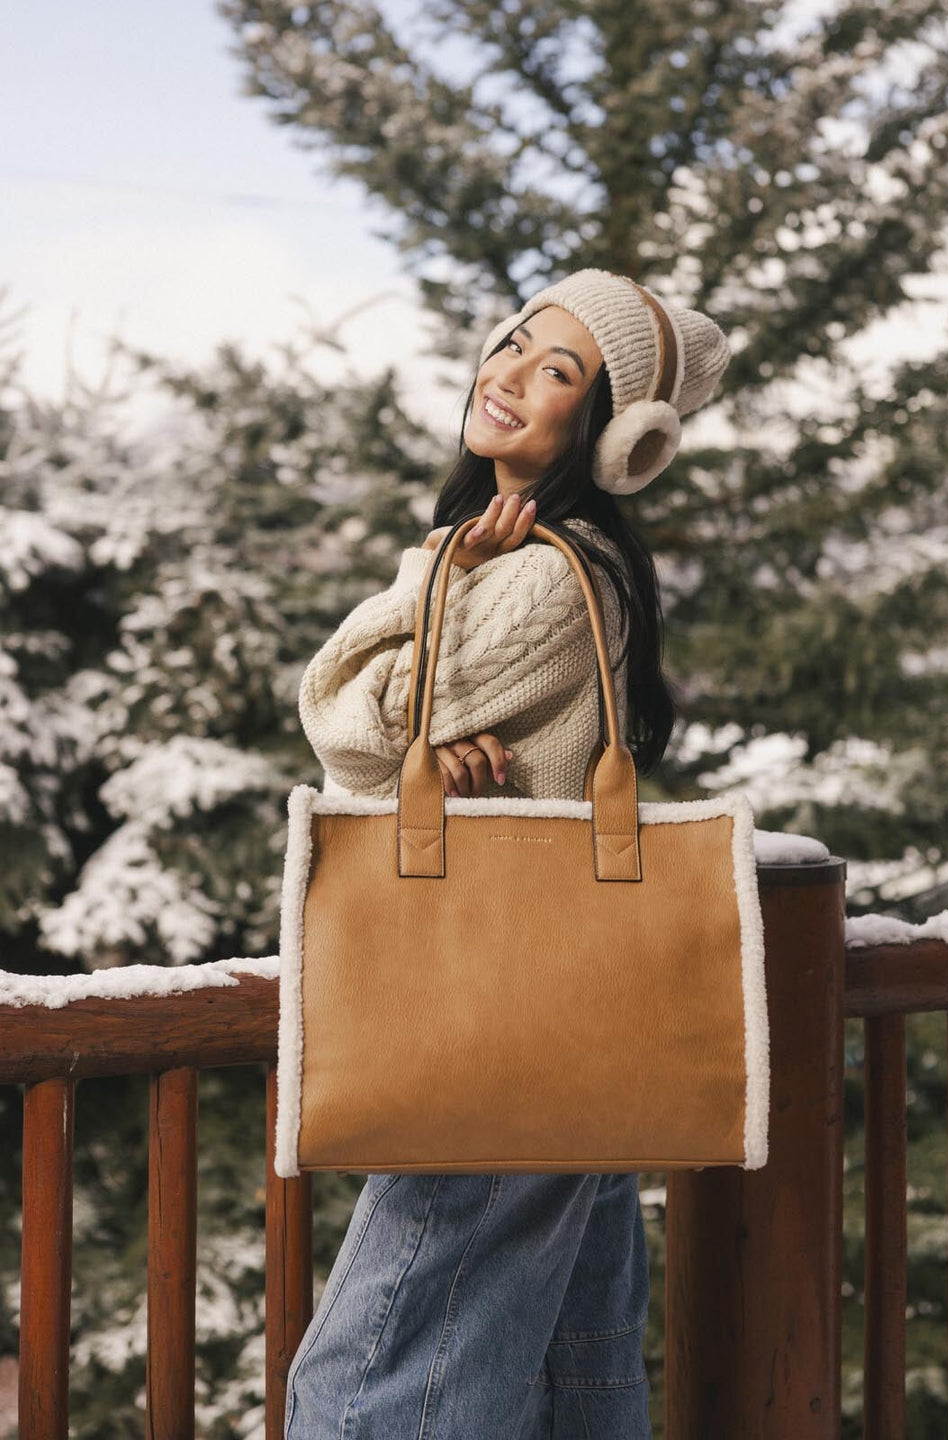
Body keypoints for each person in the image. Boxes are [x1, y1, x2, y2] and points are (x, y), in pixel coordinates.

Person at [285, 267, 731, 1439]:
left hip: (494, 1020)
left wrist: (434, 573)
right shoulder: (557, 560)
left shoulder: (538, 572)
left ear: (609, 433)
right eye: (517, 344)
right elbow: (392, 740)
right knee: (565, 1378)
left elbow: (342, 711)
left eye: (559, 374)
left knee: (365, 1394)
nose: (512, 378)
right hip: (578, 1021)